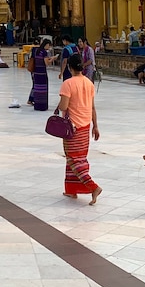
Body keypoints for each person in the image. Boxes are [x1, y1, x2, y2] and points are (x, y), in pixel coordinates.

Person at [56, 53, 102, 205]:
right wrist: (95, 126)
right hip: (86, 126)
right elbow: (93, 107)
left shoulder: (68, 84)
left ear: (69, 67)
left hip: (72, 127)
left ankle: (93, 187)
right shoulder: (89, 83)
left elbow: (63, 106)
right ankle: (72, 189)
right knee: (78, 157)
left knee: (73, 159)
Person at [29, 40, 56, 111]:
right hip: (42, 73)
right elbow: (46, 63)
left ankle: (37, 105)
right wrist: (53, 59)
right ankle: (42, 106)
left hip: (36, 73)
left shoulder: (37, 51)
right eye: (49, 45)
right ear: (46, 45)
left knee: (37, 88)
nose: (49, 47)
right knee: (43, 89)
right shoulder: (44, 52)